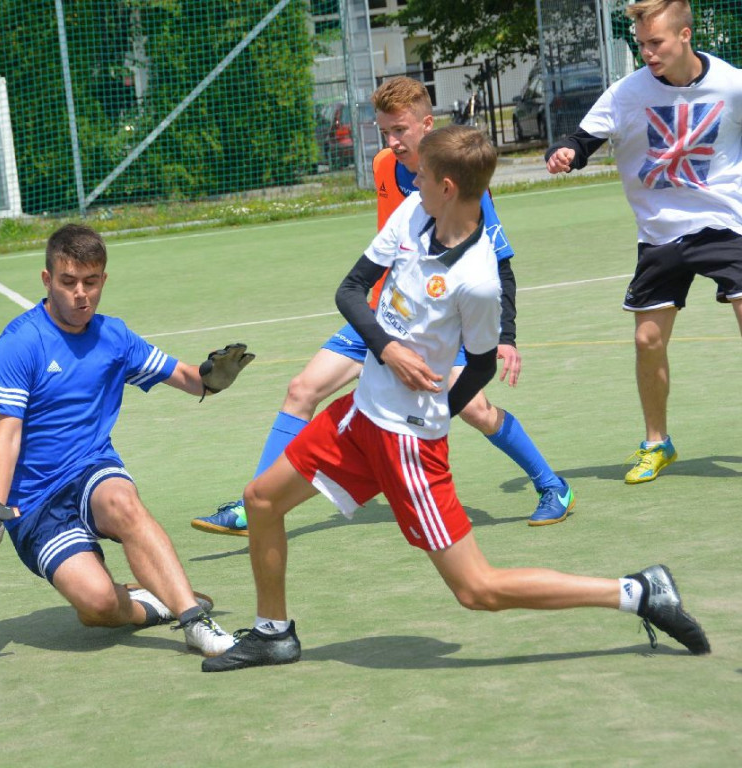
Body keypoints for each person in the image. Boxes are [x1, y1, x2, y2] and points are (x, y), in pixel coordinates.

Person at [202, 126, 710, 672]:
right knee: (260, 500)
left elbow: (484, 361)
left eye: (419, 174)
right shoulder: (411, 217)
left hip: (407, 445)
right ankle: (273, 633)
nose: (410, 179)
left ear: (446, 186)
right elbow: (349, 291)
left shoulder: (479, 278)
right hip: (357, 417)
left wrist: (436, 412)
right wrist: (388, 349)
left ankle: (638, 592)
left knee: (477, 590)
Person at [193, 77, 573, 535]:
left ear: (427, 125)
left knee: (474, 409)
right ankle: (251, 504)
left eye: (400, 131)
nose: (391, 142)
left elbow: (500, 264)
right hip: (381, 315)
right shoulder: (381, 167)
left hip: (436, 322)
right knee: (301, 390)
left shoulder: (458, 180)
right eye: (384, 132)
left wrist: (506, 337)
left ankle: (552, 485)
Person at [0, 223, 256, 657]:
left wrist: (213, 380)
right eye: (68, 282)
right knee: (98, 607)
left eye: (90, 282)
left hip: (90, 470)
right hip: (32, 504)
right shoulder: (21, 342)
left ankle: (195, 625)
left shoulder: (113, 337)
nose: (80, 294)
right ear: (47, 280)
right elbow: (7, 433)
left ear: (103, 279)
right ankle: (150, 604)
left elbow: (186, 377)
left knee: (122, 501)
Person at [545, 0, 742, 484]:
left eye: (656, 43)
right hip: (660, 233)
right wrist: (566, 152)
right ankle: (657, 443)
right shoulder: (626, 92)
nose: (648, 53)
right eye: (641, 44)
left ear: (685, 36)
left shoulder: (732, 86)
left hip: (726, 225)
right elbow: (579, 138)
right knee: (647, 339)